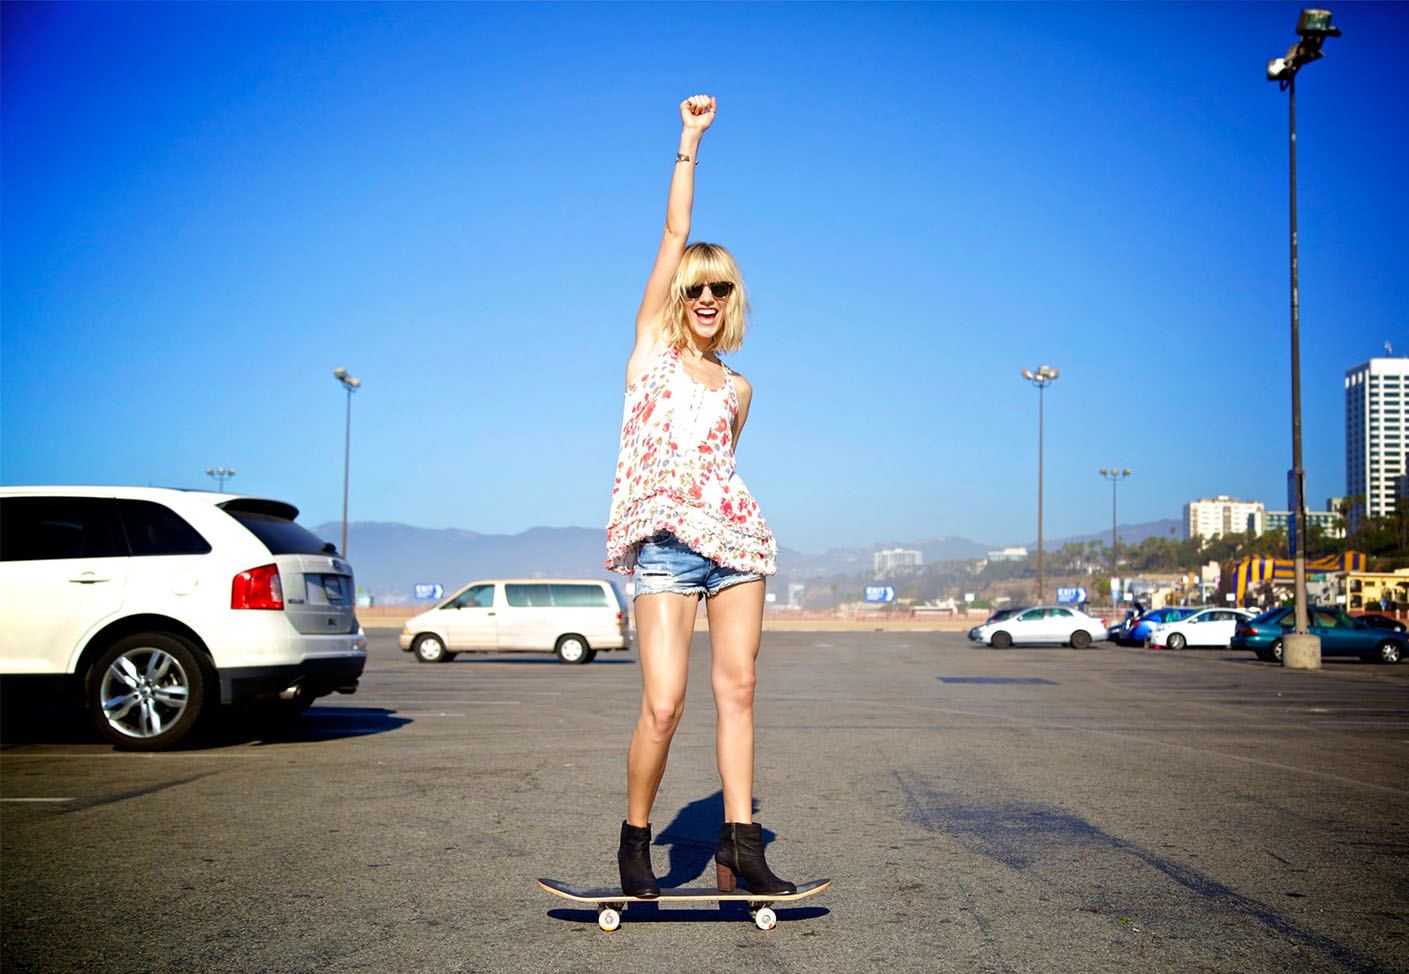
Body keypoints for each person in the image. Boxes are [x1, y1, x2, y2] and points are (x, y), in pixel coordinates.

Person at [603, 95, 794, 898]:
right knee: (664, 703)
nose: (705, 298)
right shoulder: (649, 351)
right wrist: (689, 140)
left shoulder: (741, 388)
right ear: (678, 299)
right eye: (694, 289)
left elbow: (719, 468)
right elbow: (676, 234)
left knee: (739, 690)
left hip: (735, 545)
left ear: (733, 296)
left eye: (718, 288)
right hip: (667, 552)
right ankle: (634, 839)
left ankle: (740, 847)